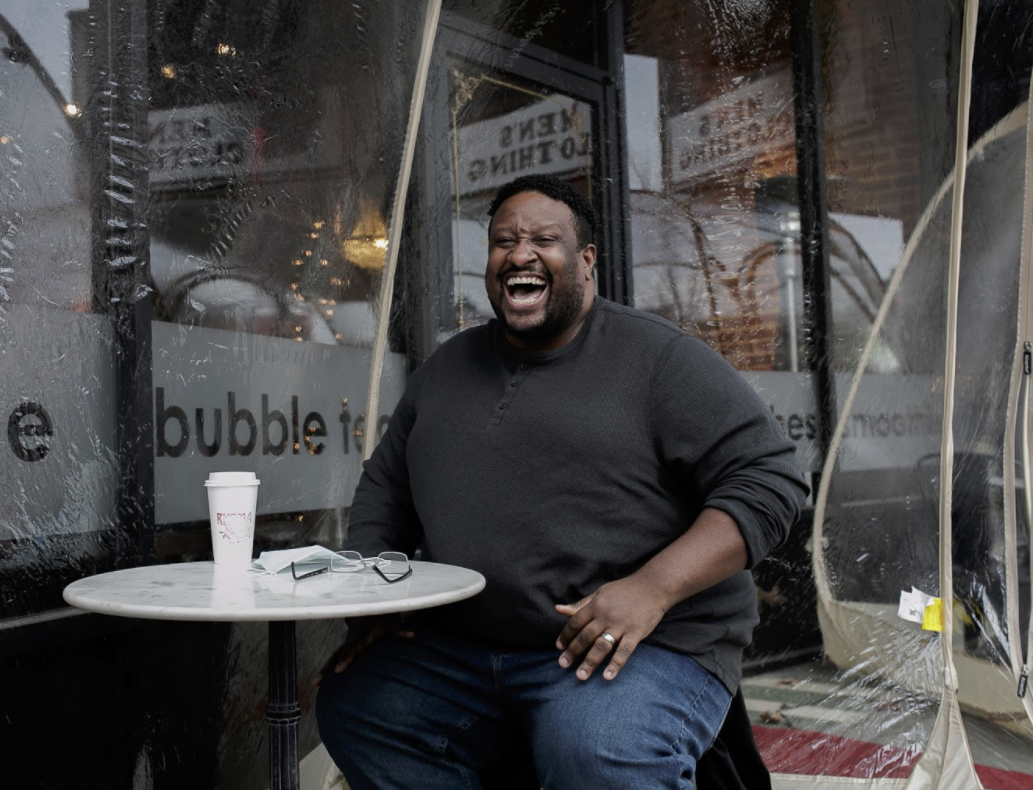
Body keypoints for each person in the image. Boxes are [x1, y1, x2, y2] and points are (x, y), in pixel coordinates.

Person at [315, 174, 808, 789]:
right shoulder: (446, 368)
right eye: (503, 242)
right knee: (359, 706)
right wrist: (371, 601)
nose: (520, 254)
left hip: (638, 645)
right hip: (467, 646)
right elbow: (387, 489)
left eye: (544, 239)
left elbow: (771, 479)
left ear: (585, 260)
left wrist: (651, 588)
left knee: (596, 752)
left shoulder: (659, 359)